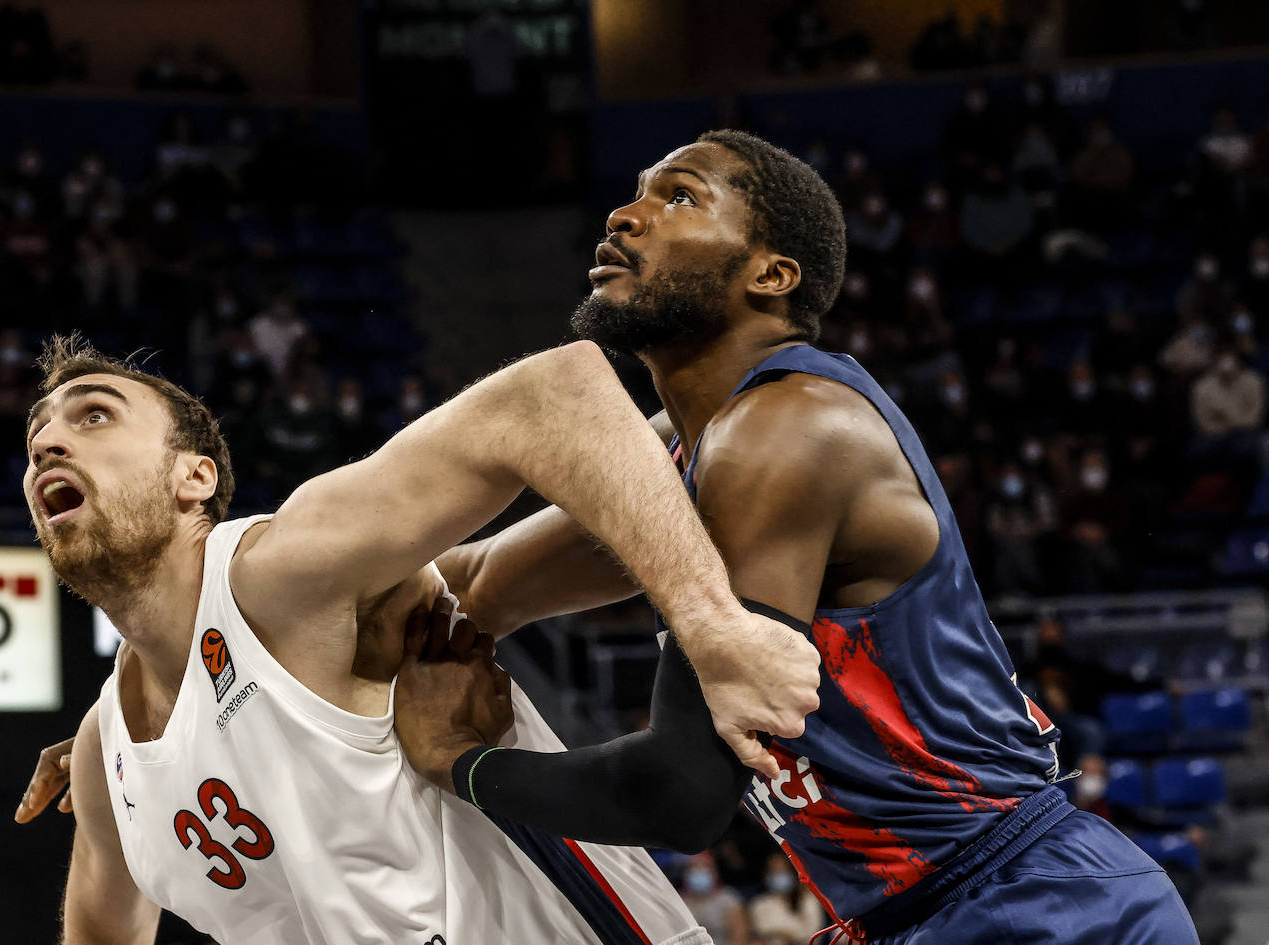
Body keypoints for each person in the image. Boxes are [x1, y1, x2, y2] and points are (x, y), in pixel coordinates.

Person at [391, 130, 1199, 943]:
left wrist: (459, 760)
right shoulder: (689, 445)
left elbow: (682, 792)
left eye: (679, 196)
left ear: (771, 275)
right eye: (637, 192)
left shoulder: (786, 430)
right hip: (918, 911)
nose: (626, 215)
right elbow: (477, 583)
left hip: (1036, 903)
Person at [13, 331, 820, 944]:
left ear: (195, 477)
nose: (50, 440)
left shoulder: (283, 572)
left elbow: (554, 392)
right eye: (37, 435)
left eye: (94, 416)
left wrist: (710, 620)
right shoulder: (102, 749)